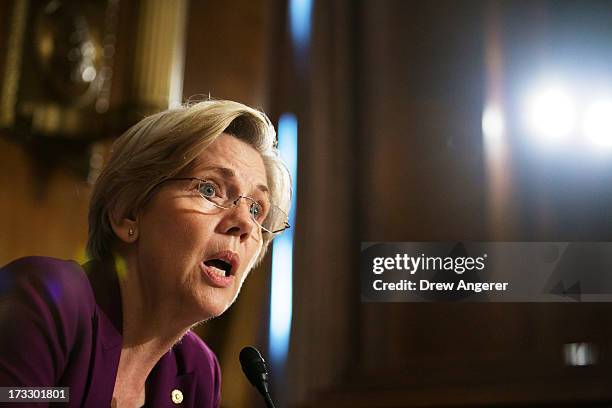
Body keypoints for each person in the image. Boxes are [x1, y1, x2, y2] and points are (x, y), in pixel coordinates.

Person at [0, 99, 291, 407]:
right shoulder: (48, 299)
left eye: (257, 209)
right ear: (128, 213)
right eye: (210, 190)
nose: (245, 223)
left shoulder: (196, 371)